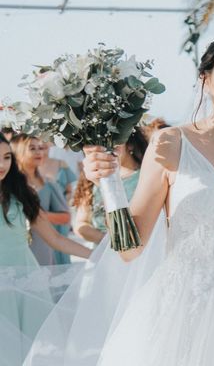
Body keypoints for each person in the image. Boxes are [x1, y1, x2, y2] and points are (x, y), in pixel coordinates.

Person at [78, 31, 214, 365]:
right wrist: (106, 184)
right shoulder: (170, 143)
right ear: (205, 79)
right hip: (182, 320)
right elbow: (131, 250)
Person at [0, 133, 90, 365]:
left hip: (26, 281)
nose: (2, 165)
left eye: (7, 157)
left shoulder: (22, 193)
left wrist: (98, 256)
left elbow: (55, 239)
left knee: (34, 350)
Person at [73, 129, 147, 245]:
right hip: (103, 250)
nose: (106, 150)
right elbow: (81, 223)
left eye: (114, 142)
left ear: (130, 144)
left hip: (139, 246)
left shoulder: (146, 177)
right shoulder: (91, 179)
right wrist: (112, 241)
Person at [11, 134, 73, 266]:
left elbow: (65, 217)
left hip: (43, 245)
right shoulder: (9, 186)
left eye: (40, 148)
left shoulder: (49, 184)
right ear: (18, 151)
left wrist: (39, 216)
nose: (39, 152)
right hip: (14, 248)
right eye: (32, 148)